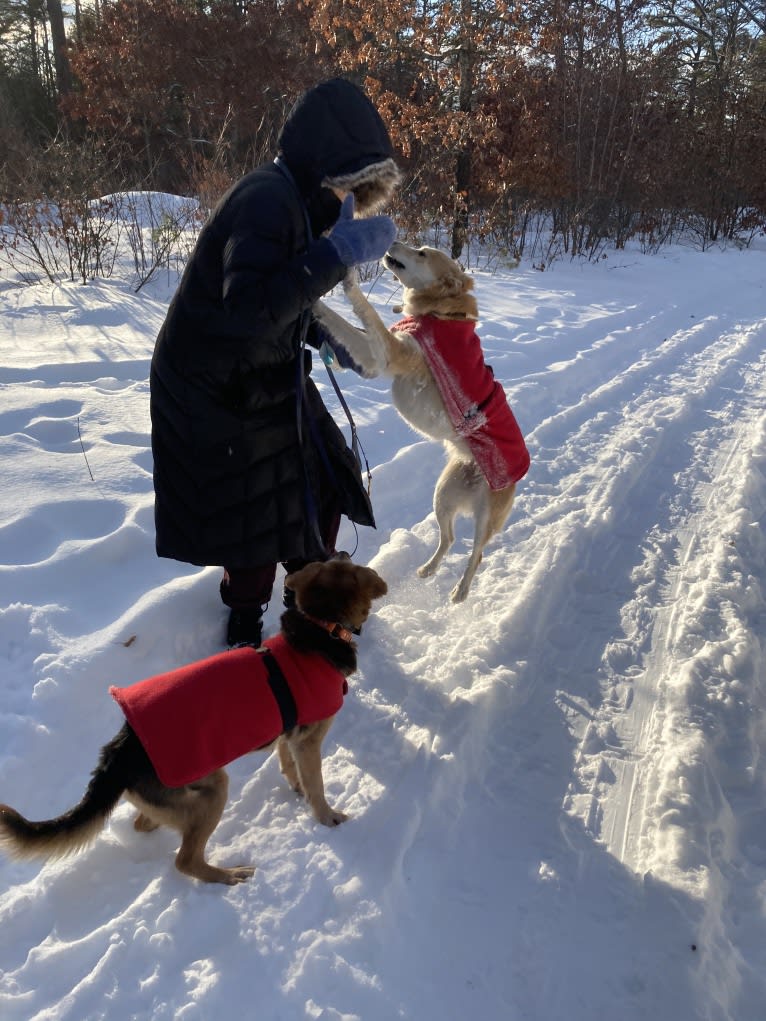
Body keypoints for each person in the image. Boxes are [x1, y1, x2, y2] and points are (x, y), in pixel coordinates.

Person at [150, 78, 400, 646]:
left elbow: (277, 297)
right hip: (210, 384)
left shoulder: (299, 202)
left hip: (259, 369)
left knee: (321, 475)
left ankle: (312, 593)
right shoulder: (266, 200)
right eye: (349, 190)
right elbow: (245, 312)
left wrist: (321, 332)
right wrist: (333, 257)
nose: (351, 205)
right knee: (254, 514)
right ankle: (244, 622)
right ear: (326, 173)